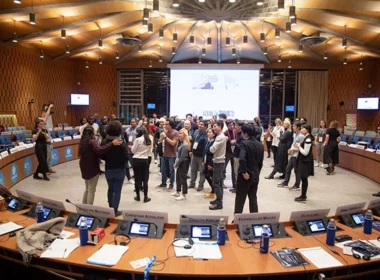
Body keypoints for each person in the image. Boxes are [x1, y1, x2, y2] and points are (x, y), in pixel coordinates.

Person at [79, 127, 122, 205]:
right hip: (91, 167)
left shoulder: (82, 141)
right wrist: (111, 143)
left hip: (84, 166)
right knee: (91, 190)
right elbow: (99, 150)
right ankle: (89, 209)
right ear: (92, 133)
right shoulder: (92, 141)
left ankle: (84, 206)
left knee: (87, 188)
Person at [100, 121, 129, 216]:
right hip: (120, 169)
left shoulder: (104, 141)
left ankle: (110, 207)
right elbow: (126, 157)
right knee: (117, 191)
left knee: (110, 188)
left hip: (108, 168)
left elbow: (102, 155)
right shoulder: (121, 142)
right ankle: (115, 210)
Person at [234, 124, 264, 214]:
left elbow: (242, 159)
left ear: (245, 134)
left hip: (245, 176)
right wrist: (257, 173)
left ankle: (237, 219)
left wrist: (244, 172)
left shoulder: (244, 143)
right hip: (255, 175)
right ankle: (255, 219)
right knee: (253, 198)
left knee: (240, 198)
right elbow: (260, 163)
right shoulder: (260, 145)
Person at [277, 122, 304, 190]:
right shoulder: (295, 134)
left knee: (296, 170)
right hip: (293, 154)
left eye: (294, 126)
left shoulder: (301, 136)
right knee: (288, 168)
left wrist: (292, 149)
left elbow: (300, 147)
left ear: (298, 127)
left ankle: (297, 185)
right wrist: (290, 149)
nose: (293, 128)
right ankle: (286, 182)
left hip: (297, 155)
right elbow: (293, 143)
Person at [294, 124, 315, 202]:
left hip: (306, 161)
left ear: (307, 130)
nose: (301, 130)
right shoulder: (306, 138)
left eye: (303, 129)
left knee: (304, 178)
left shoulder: (308, 139)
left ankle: (303, 196)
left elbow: (305, 152)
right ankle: (302, 195)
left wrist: (299, 147)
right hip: (303, 160)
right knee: (303, 178)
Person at [209, 121, 227, 210]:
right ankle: (218, 199)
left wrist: (210, 142)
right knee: (219, 183)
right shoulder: (221, 136)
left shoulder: (220, 137)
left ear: (220, 127)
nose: (213, 128)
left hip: (219, 162)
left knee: (216, 183)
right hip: (219, 161)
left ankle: (219, 203)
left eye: (215, 126)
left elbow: (212, 150)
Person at [131, 127, 152, 203]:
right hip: (145, 159)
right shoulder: (148, 139)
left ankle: (138, 196)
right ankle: (146, 197)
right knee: (145, 179)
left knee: (137, 179)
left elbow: (133, 150)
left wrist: (131, 147)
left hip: (136, 159)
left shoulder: (137, 139)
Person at [159, 120, 178, 191]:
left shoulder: (175, 132)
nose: (165, 126)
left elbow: (173, 143)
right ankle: (163, 183)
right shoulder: (165, 132)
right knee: (163, 170)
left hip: (172, 155)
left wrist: (166, 137)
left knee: (171, 171)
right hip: (165, 154)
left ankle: (171, 184)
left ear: (170, 125)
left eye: (166, 124)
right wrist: (161, 137)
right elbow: (160, 142)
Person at [171, 128, 191, 201]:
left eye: (181, 134)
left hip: (183, 163)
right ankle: (178, 191)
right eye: (179, 133)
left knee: (183, 179)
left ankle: (184, 194)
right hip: (181, 162)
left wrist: (176, 164)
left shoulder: (185, 145)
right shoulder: (182, 143)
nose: (179, 135)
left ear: (185, 135)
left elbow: (182, 157)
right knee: (178, 178)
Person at [189, 120, 208, 191]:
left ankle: (200, 185)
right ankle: (192, 183)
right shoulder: (196, 132)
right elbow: (193, 141)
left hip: (201, 156)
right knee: (193, 170)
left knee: (202, 171)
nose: (200, 126)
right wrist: (191, 150)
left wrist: (204, 158)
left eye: (202, 125)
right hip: (194, 154)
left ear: (205, 127)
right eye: (199, 124)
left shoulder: (206, 134)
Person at [40, 104, 55, 174]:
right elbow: (47, 114)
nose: (45, 114)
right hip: (45, 143)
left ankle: (49, 168)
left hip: (49, 143)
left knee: (50, 157)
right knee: (46, 157)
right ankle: (45, 170)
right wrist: (49, 107)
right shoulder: (42, 122)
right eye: (43, 113)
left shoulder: (45, 123)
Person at [203, 128, 216, 198]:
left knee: (210, 176)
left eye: (210, 132)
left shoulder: (214, 143)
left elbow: (214, 154)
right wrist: (204, 161)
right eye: (208, 132)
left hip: (211, 162)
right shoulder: (207, 141)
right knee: (206, 175)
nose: (208, 133)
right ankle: (213, 189)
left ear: (214, 134)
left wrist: (211, 164)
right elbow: (205, 152)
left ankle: (213, 191)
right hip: (206, 161)